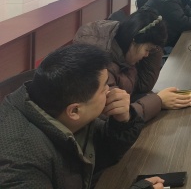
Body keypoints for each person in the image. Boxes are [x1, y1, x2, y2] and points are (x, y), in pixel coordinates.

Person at [0, 43, 165, 189]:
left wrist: (122, 121)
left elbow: (105, 152)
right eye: (104, 88)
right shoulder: (20, 162)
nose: (111, 92)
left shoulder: (59, 106)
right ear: (74, 111)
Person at [73, 8, 191, 123]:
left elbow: (143, 85)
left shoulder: (125, 49)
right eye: (147, 49)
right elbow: (114, 115)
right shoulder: (100, 65)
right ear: (134, 41)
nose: (147, 55)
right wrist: (159, 101)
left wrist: (155, 46)